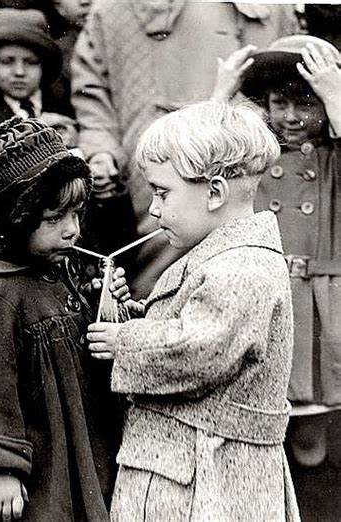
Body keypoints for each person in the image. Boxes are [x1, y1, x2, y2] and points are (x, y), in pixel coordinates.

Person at [87, 100, 300, 520]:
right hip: (187, 469)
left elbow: (200, 349)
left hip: (210, 480)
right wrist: (127, 313)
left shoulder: (244, 266)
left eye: (163, 193)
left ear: (215, 192)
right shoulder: (211, 254)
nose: (154, 209)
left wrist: (124, 341)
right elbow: (184, 324)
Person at [0, 117, 127, 521]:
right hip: (27, 459)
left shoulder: (56, 269)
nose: (72, 231)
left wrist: (105, 304)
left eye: (77, 213)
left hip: (68, 443)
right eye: (55, 219)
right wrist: (1, 465)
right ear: (14, 220)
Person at [72, 1, 299, 299]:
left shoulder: (273, 8)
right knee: (163, 267)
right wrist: (101, 150)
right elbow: (91, 91)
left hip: (257, 165)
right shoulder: (115, 9)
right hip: (158, 162)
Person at [213, 35, 341, 471]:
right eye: (279, 103)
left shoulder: (331, 160)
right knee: (259, 416)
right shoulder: (252, 155)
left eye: (306, 104)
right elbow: (202, 154)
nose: (290, 117)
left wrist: (334, 92)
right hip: (262, 294)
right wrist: (221, 93)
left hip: (318, 303)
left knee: (309, 433)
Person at [0, 7, 65, 142]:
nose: (19, 72)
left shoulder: (63, 103)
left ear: (44, 66)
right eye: (7, 62)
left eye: (31, 62)